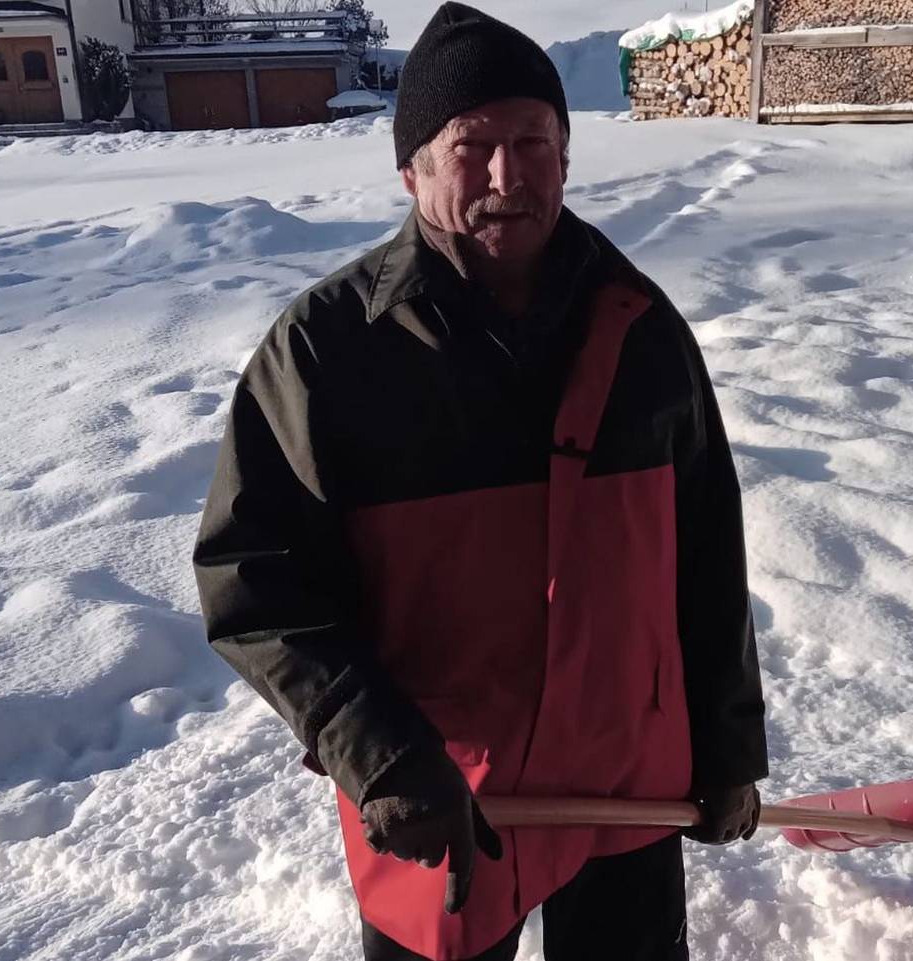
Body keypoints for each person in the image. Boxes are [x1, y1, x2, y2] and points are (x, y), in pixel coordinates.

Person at [192, 4, 767, 960]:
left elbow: (705, 550)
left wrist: (727, 745)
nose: (508, 175)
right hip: (442, 790)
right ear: (412, 169)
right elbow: (253, 578)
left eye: (534, 141)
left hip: (626, 776)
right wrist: (377, 753)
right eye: (473, 147)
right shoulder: (327, 354)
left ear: (566, 156)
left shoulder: (641, 327)